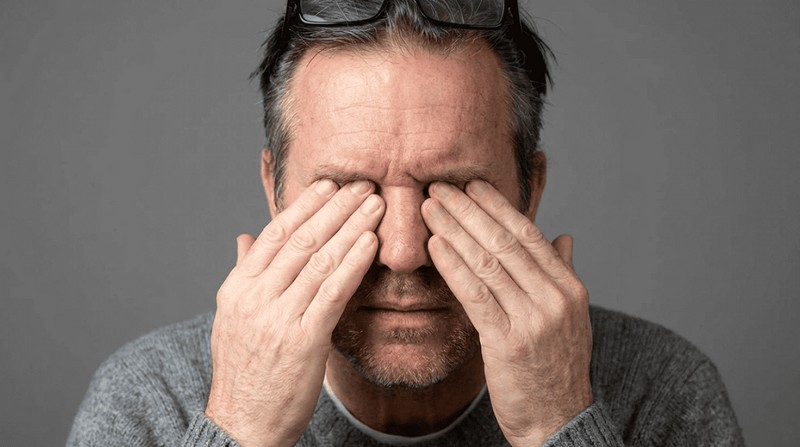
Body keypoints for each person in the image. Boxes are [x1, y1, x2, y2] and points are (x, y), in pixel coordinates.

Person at [68, 1, 745, 446]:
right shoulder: (150, 399)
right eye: (348, 189)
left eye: (452, 188)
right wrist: (240, 428)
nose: (402, 250)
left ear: (529, 191)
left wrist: (559, 422)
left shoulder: (660, 389)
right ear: (274, 193)